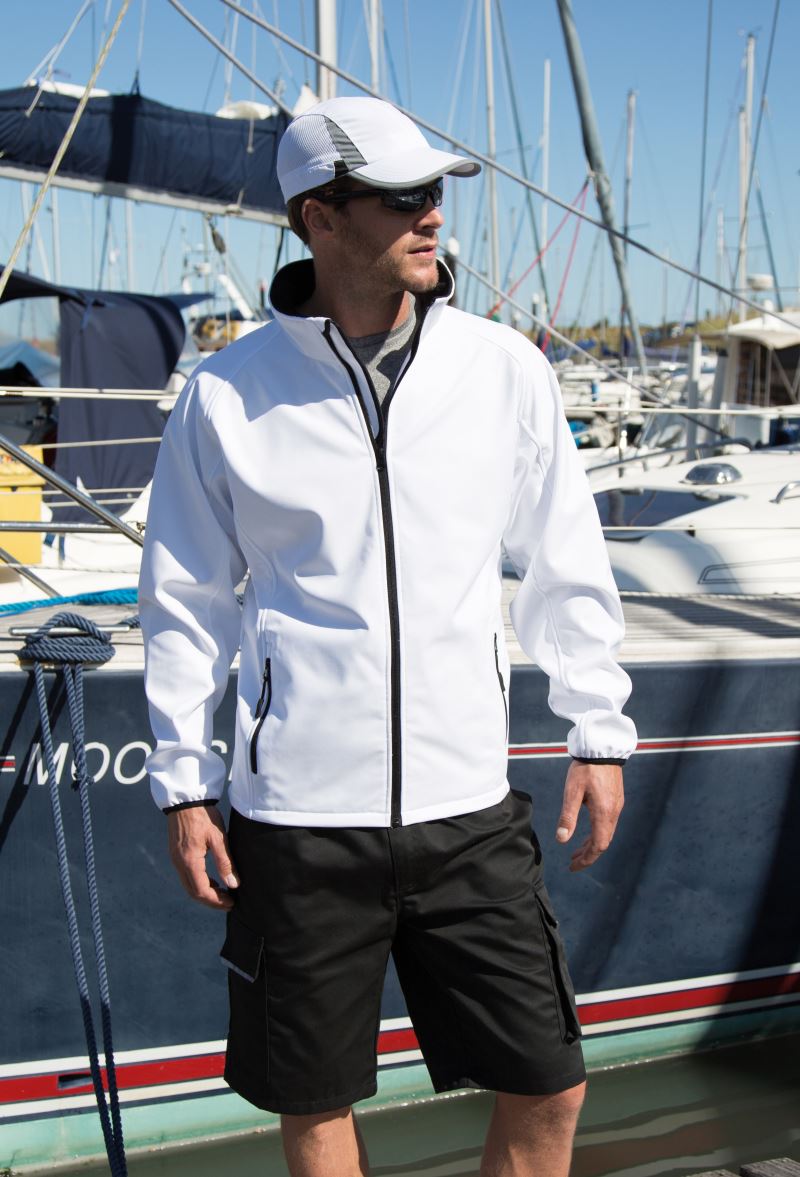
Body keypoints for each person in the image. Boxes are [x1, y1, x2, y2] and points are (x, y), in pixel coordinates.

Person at [139, 96, 637, 1177]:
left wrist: (596, 726)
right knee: (313, 1098)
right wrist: (183, 783)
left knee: (549, 1081)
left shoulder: (502, 369)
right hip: (298, 821)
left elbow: (564, 559)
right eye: (401, 197)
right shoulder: (225, 395)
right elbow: (184, 599)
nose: (431, 215)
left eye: (434, 193)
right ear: (319, 218)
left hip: (468, 809)